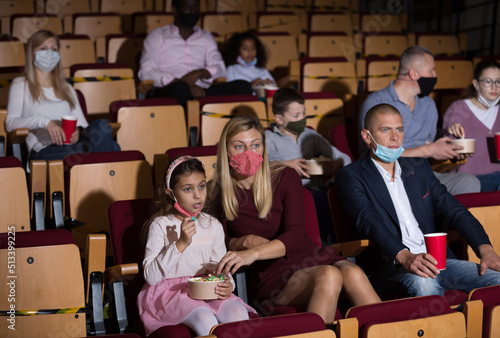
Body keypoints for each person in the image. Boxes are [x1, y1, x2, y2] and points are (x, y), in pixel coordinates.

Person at [209, 116, 380, 327]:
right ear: (226, 150)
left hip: (306, 255)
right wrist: (241, 242)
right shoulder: (215, 192)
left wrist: (252, 252)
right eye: (239, 146)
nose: (249, 153)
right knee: (329, 275)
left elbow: (296, 234)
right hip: (270, 275)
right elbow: (215, 244)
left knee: (353, 272)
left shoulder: (285, 176)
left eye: (255, 145)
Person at [337, 103, 500, 299]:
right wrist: (405, 256)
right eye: (385, 130)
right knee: (425, 284)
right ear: (366, 136)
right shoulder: (351, 176)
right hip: (391, 266)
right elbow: (369, 222)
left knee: (497, 278)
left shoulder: (418, 168)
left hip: (435, 260)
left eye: (399, 129)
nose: (395, 137)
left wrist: (486, 249)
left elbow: (454, 210)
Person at [138, 156, 256, 336]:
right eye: (187, 189)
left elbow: (222, 268)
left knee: (238, 313)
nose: (197, 195)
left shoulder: (213, 225)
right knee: (204, 317)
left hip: (207, 289)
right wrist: (181, 243)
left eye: (202, 186)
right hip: (170, 293)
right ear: (171, 194)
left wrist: (227, 284)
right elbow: (152, 277)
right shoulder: (160, 225)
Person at [358, 45, 480, 195]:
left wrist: (450, 149)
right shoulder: (377, 103)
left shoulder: (428, 104)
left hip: (422, 174)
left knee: (470, 182)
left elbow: (429, 146)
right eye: (431, 71)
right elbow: (379, 155)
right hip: (387, 178)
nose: (435, 75)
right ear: (414, 73)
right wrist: (428, 150)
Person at [5, 30, 120, 161]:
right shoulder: (20, 85)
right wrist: (45, 122)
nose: (49, 53)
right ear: (32, 54)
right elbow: (10, 123)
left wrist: (78, 133)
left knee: (101, 125)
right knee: (113, 148)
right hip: (44, 149)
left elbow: (83, 126)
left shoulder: (67, 88)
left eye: (54, 49)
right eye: (43, 48)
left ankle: (97, 177)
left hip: (73, 145)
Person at [266, 87, 351, 244]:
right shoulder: (268, 138)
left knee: (343, 194)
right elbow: (256, 167)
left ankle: (345, 245)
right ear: (279, 119)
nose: (302, 119)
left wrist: (334, 164)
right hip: (287, 192)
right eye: (296, 116)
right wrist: (284, 165)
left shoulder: (310, 135)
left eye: (304, 114)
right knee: (317, 201)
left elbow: (344, 157)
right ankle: (325, 246)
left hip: (317, 187)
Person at [138, 0, 252, 106]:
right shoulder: (157, 36)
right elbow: (146, 71)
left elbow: (220, 70)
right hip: (168, 90)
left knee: (243, 86)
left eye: (197, 8)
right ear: (175, 10)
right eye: (188, 7)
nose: (193, 11)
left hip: (201, 91)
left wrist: (198, 73)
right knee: (180, 88)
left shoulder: (206, 37)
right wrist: (182, 84)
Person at [443, 60, 500, 191]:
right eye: (488, 81)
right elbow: (447, 148)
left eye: (498, 81)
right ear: (476, 84)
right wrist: (454, 133)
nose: (494, 87)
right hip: (470, 180)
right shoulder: (458, 109)